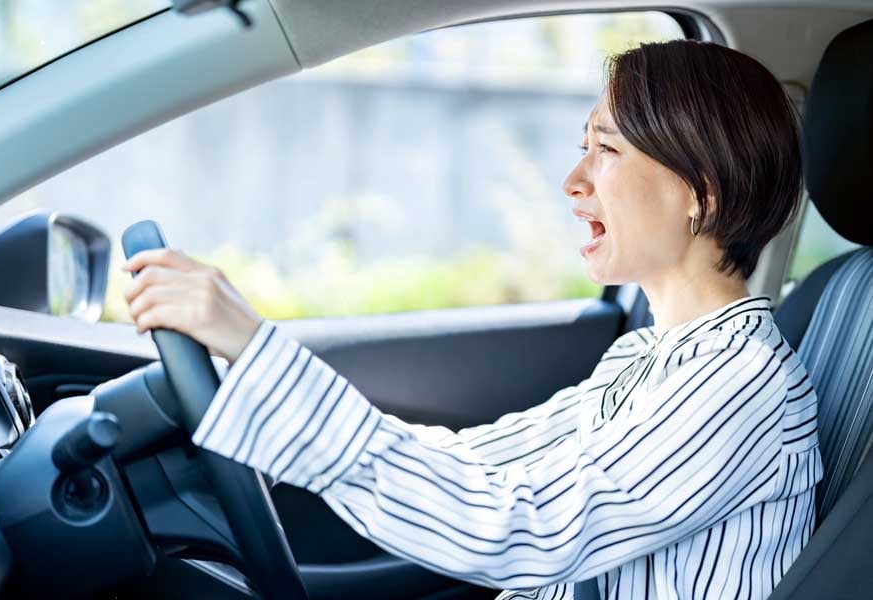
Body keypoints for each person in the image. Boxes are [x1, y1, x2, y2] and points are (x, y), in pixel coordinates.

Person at [122, 39, 821, 600]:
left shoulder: (739, 386)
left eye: (606, 149)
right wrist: (265, 404)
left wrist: (259, 349)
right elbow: (480, 464)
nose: (573, 180)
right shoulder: (648, 359)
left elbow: (525, 527)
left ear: (701, 191)